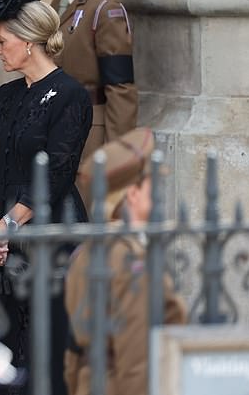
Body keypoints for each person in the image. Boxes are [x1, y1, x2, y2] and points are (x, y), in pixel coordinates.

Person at [0, 0, 93, 395]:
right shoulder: (5, 96)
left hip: (50, 239)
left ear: (28, 42)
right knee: (2, 353)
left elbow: (57, 173)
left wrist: (10, 224)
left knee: (49, 352)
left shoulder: (69, 95)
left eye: (3, 41)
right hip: (1, 241)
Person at [64, 127, 187, 395]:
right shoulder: (131, 260)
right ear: (133, 193)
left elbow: (73, 359)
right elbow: (137, 365)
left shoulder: (86, 253)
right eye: (153, 184)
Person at [46, 0, 137, 168]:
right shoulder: (58, 3)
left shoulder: (106, 9)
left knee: (85, 207)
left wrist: (119, 155)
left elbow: (121, 88)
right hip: (55, 126)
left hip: (89, 135)